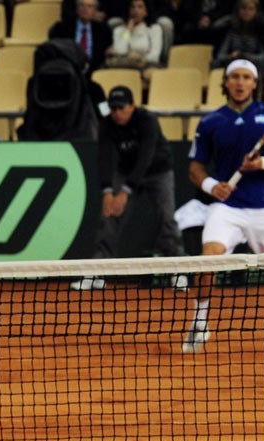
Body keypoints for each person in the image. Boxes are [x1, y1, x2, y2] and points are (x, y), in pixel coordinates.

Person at [184, 59, 264, 351]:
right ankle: (199, 324)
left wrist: (262, 162)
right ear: (225, 83)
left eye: (246, 77)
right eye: (235, 77)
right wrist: (214, 186)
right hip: (228, 209)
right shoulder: (210, 122)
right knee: (207, 262)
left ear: (255, 83)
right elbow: (195, 169)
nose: (240, 83)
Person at [71, 85, 185, 290]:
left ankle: (177, 271)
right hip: (125, 172)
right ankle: (97, 273)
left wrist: (125, 191)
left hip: (158, 170)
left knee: (166, 218)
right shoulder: (107, 125)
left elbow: (146, 156)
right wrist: (107, 191)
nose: (117, 113)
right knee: (108, 218)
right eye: (113, 108)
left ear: (132, 106)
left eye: (121, 108)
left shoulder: (147, 120)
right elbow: (105, 158)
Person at [105, 0, 166, 78]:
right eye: (132, 7)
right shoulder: (119, 30)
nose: (136, 10)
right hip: (124, 67)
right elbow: (120, 51)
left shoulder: (154, 29)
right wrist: (128, 31)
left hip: (146, 66)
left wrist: (138, 60)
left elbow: (155, 56)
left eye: (140, 7)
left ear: (146, 11)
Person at [50, 0, 113, 70]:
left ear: (95, 11)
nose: (85, 9)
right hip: (69, 71)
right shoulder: (62, 28)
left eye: (89, 6)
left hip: (94, 71)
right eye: (82, 5)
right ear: (77, 9)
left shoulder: (104, 31)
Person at [211, 0, 264, 73]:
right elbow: (220, 56)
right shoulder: (231, 30)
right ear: (238, 11)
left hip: (253, 67)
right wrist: (230, 56)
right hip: (234, 65)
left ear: (256, 12)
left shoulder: (261, 31)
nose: (247, 12)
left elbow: (263, 58)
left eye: (250, 9)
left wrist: (244, 55)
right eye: (243, 8)